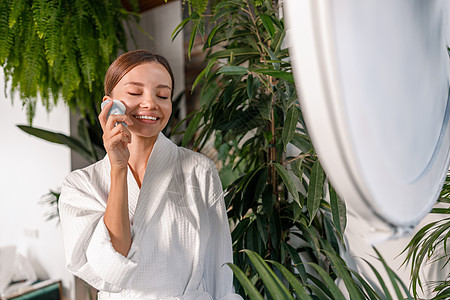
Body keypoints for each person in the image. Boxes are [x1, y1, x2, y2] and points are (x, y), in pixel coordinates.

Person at [59, 50, 242, 300]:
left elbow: (219, 266)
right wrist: (118, 168)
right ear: (108, 103)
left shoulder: (199, 170)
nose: (151, 103)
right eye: (135, 93)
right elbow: (112, 266)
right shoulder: (80, 186)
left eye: (162, 95)